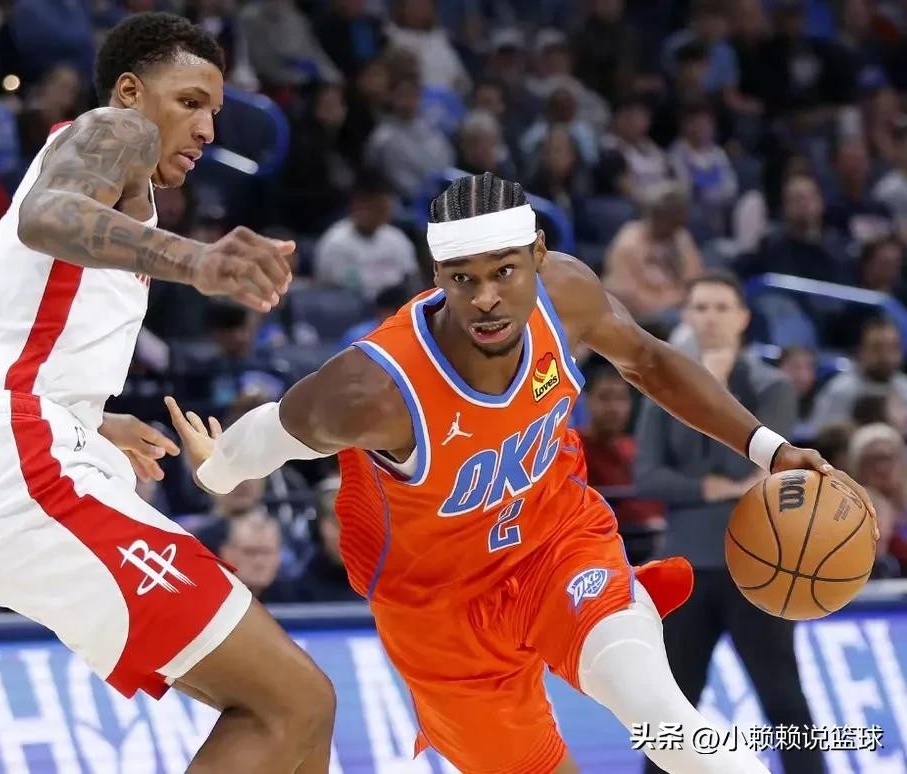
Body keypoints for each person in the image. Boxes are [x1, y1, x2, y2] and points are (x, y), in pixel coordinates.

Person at [165, 172, 877, 774]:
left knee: (665, 718)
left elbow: (650, 361)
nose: (486, 298)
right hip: (439, 615)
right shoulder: (373, 390)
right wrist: (217, 469)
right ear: (436, 277)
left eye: (505, 272)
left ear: (539, 255)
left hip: (556, 546)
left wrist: (769, 449)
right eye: (463, 280)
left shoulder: (566, 296)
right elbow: (272, 434)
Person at [0, 14, 334, 774]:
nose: (208, 128)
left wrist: (92, 417)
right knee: (295, 703)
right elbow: (47, 218)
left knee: (300, 716)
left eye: (215, 110)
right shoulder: (111, 131)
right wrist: (198, 262)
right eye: (190, 102)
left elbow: (22, 332)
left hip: (18, 459)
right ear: (129, 91)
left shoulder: (119, 188)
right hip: (21, 467)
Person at [633, 271, 824, 774]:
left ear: (742, 318)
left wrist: (708, 472)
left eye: (721, 308)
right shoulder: (660, 387)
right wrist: (713, 488)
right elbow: (647, 475)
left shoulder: (771, 386)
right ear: (687, 317)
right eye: (700, 308)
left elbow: (758, 472)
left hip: (757, 568)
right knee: (672, 707)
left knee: (784, 699)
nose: (711, 318)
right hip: (684, 567)